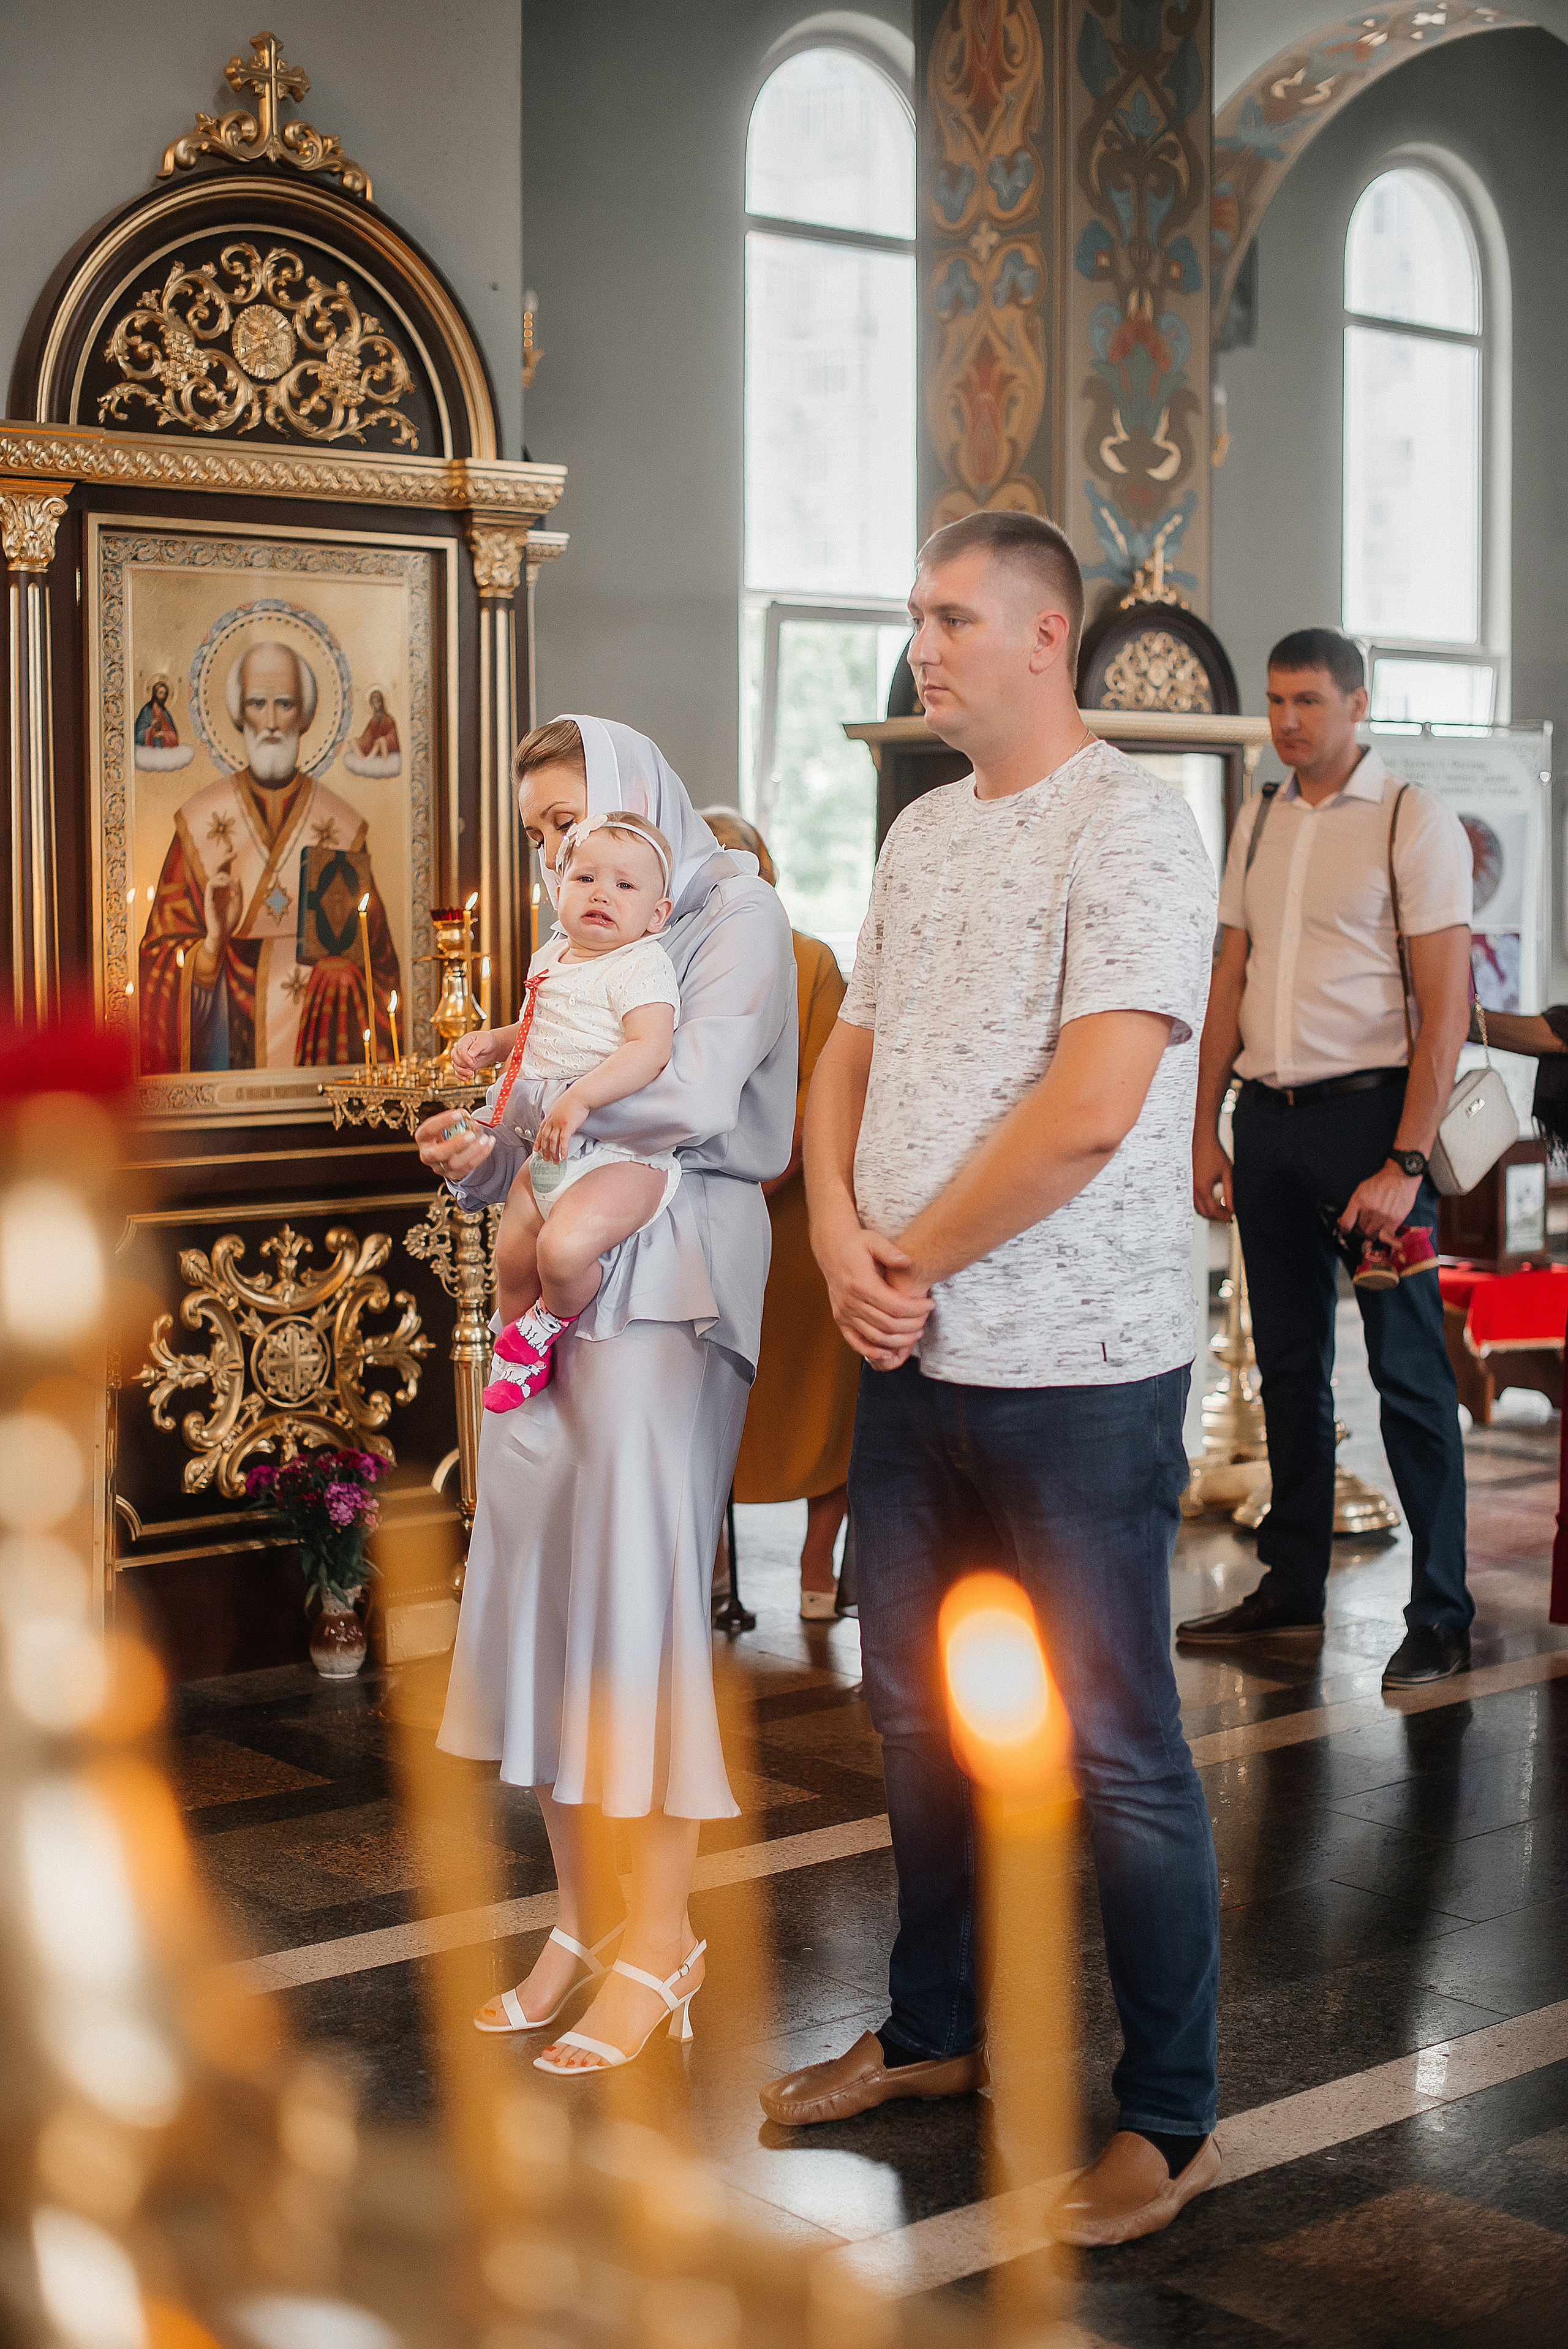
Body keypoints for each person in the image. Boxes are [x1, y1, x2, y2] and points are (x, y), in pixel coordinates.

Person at [760, 510, 1224, 2253]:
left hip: (1078, 1371)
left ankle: (1168, 2114)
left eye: (951, 617)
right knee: (912, 1714)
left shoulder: (1139, 832)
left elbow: (1097, 1108)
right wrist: (834, 1233)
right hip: (909, 1350)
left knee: (1116, 1747)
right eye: (913, 617)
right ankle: (939, 2030)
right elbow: (847, 1060)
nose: (922, 644)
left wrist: (910, 1258)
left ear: (1049, 635)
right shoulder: (928, 834)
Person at [417, 715, 796, 2075]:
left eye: (573, 819)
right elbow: (521, 1132)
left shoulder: (728, 914)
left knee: (632, 1597)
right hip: (552, 1279)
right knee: (538, 1591)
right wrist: (472, 1149)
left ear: (637, 800)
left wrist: (530, 1105)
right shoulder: (564, 946)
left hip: (668, 1270)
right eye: (539, 837)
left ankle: (662, 1940)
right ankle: (579, 1924)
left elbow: (690, 1092)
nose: (560, 854)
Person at [1183, 629, 1474, 1687]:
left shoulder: (1411, 819)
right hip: (1267, 1123)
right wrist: (1204, 1122)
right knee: (1288, 1365)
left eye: (1309, 698)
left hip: (1372, 1128)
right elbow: (1229, 973)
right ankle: (1291, 1589)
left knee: (1407, 1372)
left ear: (1360, 702)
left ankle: (1441, 1609)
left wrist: (1406, 1157)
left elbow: (1447, 1008)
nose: (1288, 719)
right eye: (1275, 700)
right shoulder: (1257, 814)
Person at [450, 811, 682, 1411]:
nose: (602, 893)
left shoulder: (641, 964)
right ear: (560, 889)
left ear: (656, 915)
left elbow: (649, 1049)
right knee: (511, 1254)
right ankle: (516, 1353)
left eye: (625, 886)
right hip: (549, 1148)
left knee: (562, 1250)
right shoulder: (551, 955)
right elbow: (538, 1028)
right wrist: (494, 1044)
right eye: (585, 879)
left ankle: (545, 1327)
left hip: (619, 1153)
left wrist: (579, 1097)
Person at [698, 808, 859, 1617]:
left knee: (823, 1394)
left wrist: (758, 1170)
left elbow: (824, 1089)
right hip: (704, 1215)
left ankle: (817, 1568)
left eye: (742, 859)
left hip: (797, 1222)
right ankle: (714, 1562)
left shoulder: (810, 962)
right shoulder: (674, 966)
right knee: (712, 1395)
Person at [138, 640, 400, 1072]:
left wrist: (340, 974)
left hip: (322, 1054)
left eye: (286, 703)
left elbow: (379, 970)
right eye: (259, 703)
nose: (274, 722)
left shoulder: (343, 825)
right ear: (240, 713)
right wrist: (213, 946)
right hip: (228, 1046)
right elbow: (159, 967)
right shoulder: (199, 821)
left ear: (306, 715)